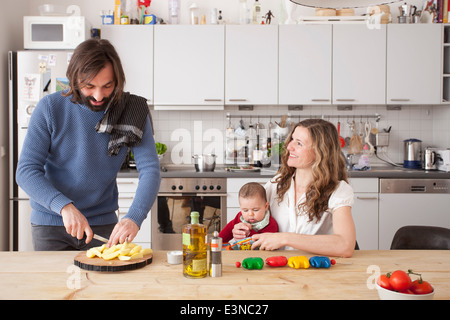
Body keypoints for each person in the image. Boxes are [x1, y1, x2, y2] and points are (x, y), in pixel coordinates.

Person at [16, 39, 161, 251]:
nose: (98, 95)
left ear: (117, 80)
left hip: (102, 226)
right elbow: (26, 171)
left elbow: (150, 170)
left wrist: (134, 217)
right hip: (52, 223)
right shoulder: (49, 108)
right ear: (75, 79)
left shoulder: (132, 111)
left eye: (107, 86)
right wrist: (64, 206)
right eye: (89, 86)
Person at [235, 119, 356, 257]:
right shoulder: (276, 184)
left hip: (317, 272)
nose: (289, 147)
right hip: (275, 269)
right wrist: (242, 229)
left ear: (320, 152)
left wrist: (285, 238)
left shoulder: (338, 191)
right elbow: (254, 217)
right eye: (292, 139)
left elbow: (345, 246)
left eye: (299, 143)